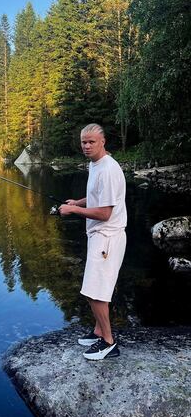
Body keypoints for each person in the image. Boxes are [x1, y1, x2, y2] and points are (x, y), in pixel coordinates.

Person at [59, 123, 127, 360]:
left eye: (91, 142)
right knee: (91, 291)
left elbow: (105, 213)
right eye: (83, 142)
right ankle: (99, 330)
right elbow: (98, 196)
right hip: (99, 236)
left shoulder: (108, 169)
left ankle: (108, 343)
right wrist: (78, 202)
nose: (86, 146)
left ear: (103, 142)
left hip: (108, 236)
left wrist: (72, 211)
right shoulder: (96, 164)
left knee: (96, 292)